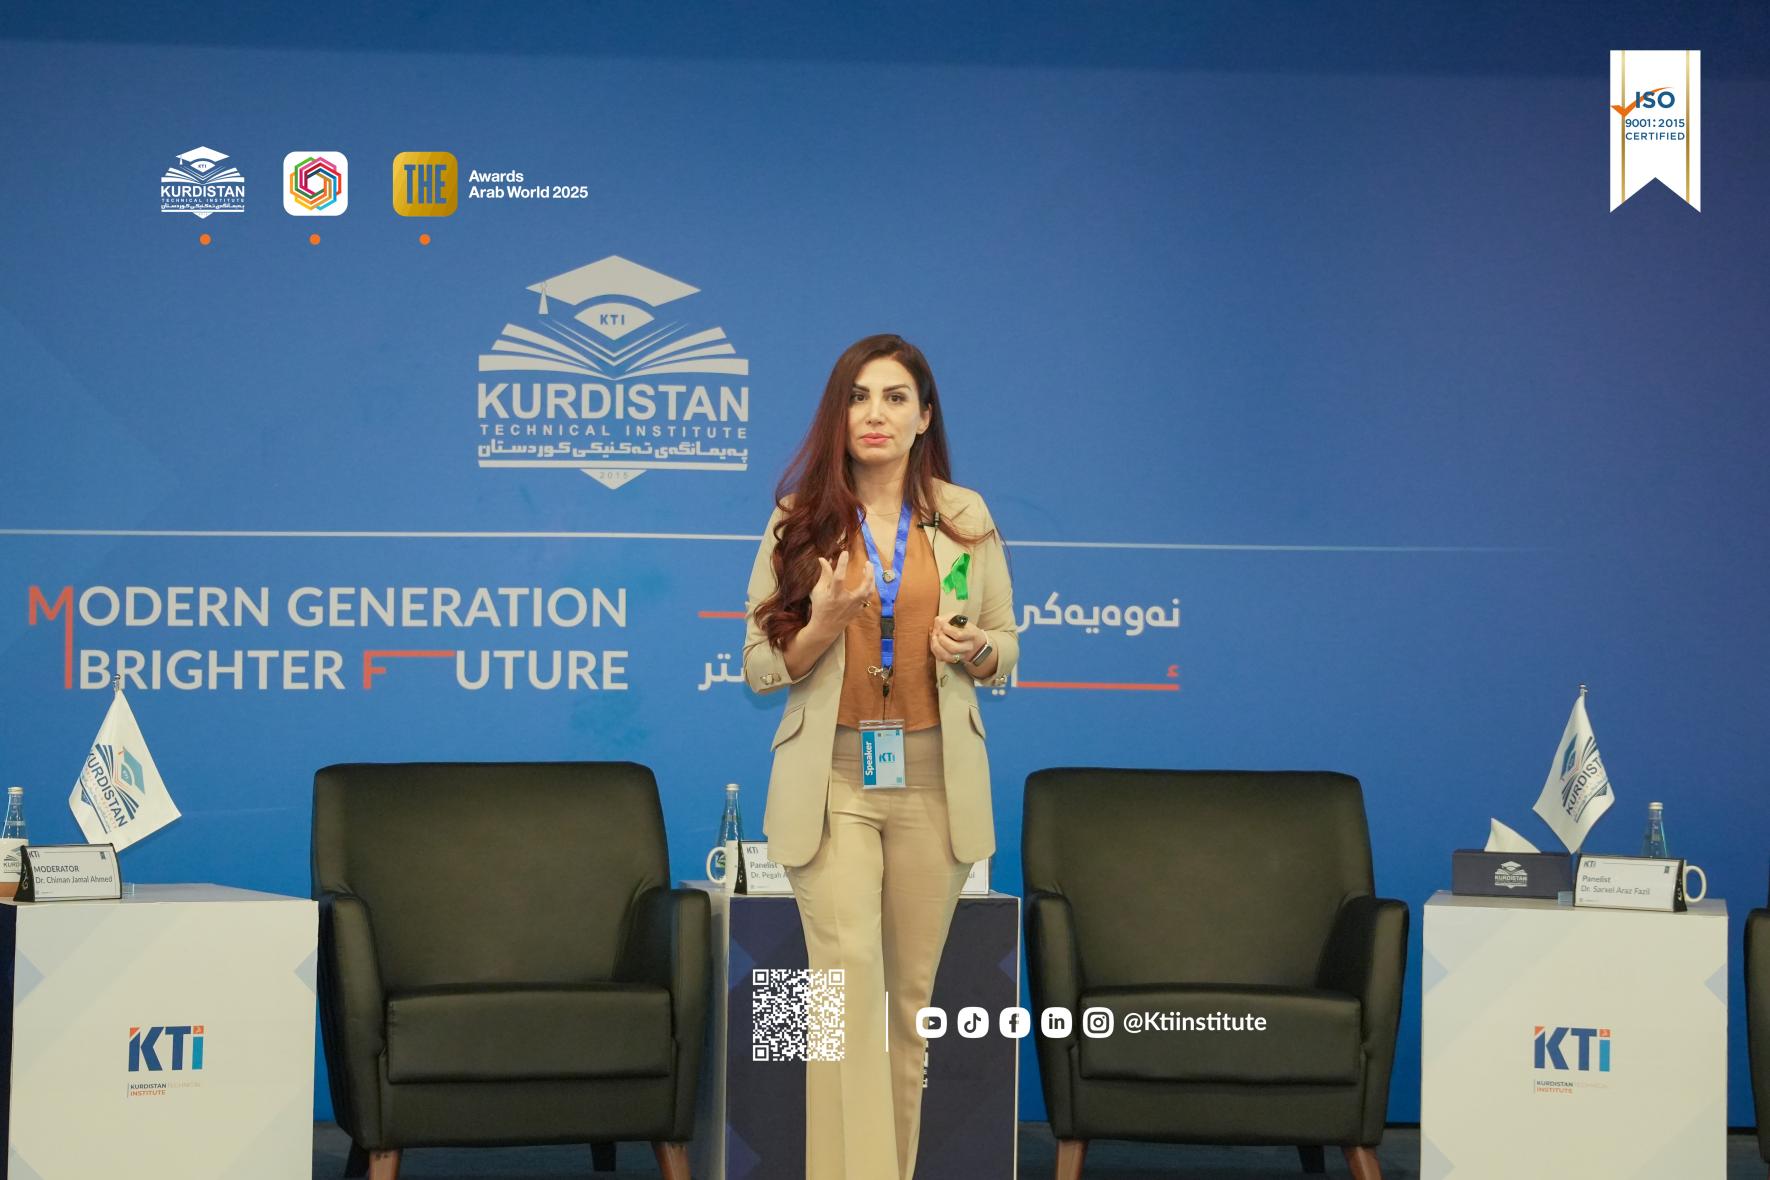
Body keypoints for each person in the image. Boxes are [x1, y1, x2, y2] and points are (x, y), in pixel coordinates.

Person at [742, 333, 1019, 1180]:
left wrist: (975, 651)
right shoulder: (799, 520)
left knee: (908, 1007)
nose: (876, 414)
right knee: (846, 987)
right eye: (859, 396)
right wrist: (824, 623)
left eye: (896, 397)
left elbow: (1005, 645)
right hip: (833, 780)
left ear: (924, 416)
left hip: (935, 782)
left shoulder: (966, 517)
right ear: (839, 414)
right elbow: (759, 667)